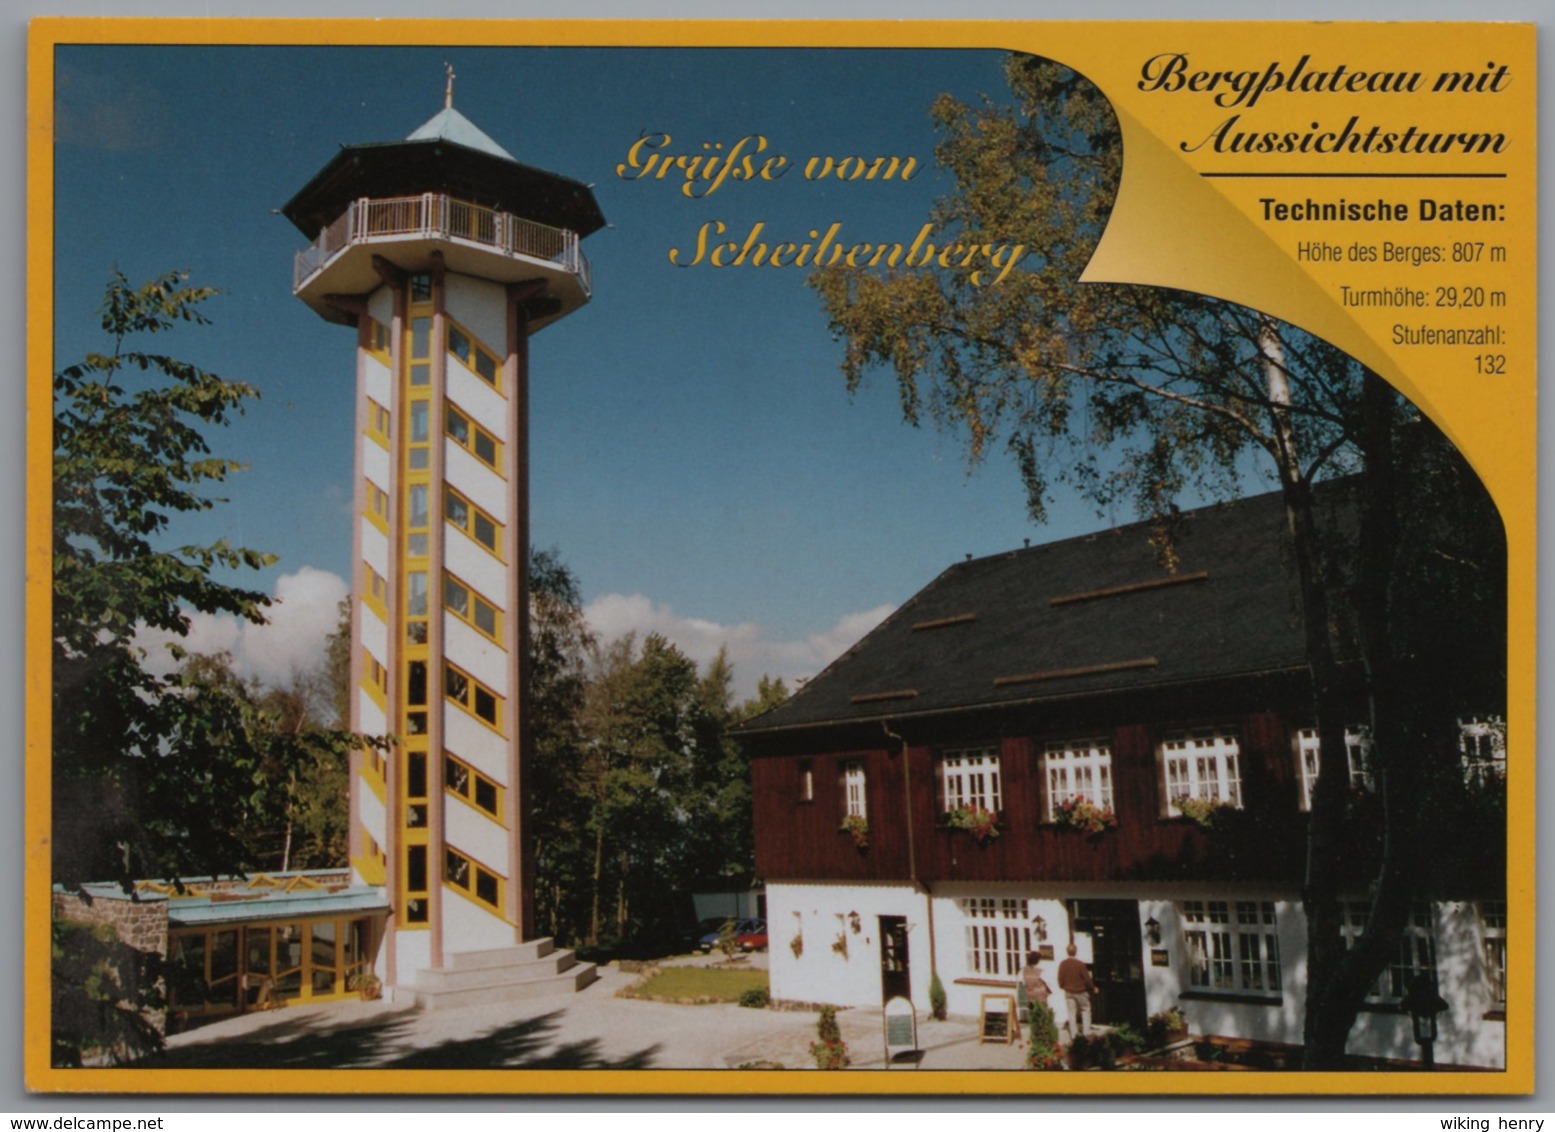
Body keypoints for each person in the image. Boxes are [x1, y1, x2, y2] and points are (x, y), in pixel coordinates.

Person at [1057, 942, 1097, 1037]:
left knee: (1071, 1013)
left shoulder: (1063, 964)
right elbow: (1087, 979)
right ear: (1076, 952)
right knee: (1085, 1010)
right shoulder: (1080, 964)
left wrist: (1063, 986)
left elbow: (1060, 978)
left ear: (1067, 952)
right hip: (1081, 991)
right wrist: (1093, 988)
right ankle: (1086, 1033)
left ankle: (1074, 1035)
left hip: (1069, 991)